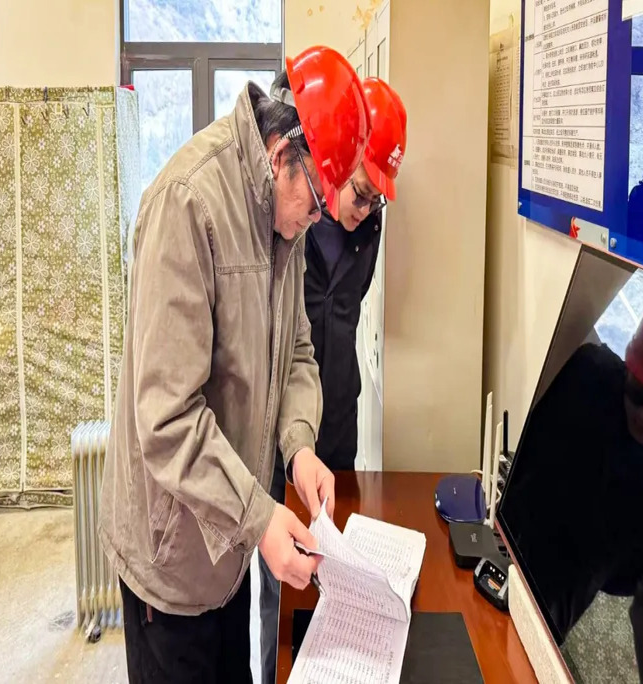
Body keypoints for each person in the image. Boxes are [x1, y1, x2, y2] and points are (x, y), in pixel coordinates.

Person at [99, 45, 371, 684]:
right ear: (281, 156)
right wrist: (261, 517)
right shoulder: (188, 204)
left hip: (229, 538)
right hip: (171, 556)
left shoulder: (284, 217)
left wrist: (299, 447)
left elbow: (297, 350)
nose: (318, 218)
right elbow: (166, 420)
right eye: (318, 200)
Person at [259, 77, 407, 684]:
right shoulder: (290, 210)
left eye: (376, 201)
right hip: (279, 423)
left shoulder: (369, 227)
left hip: (337, 417)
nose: (363, 209)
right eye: (359, 191)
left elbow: (346, 314)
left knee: (334, 573)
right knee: (281, 582)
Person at [504, 319, 643, 680]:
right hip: (517, 533)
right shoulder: (588, 373)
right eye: (639, 393)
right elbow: (526, 455)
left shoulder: (590, 371)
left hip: (560, 593)